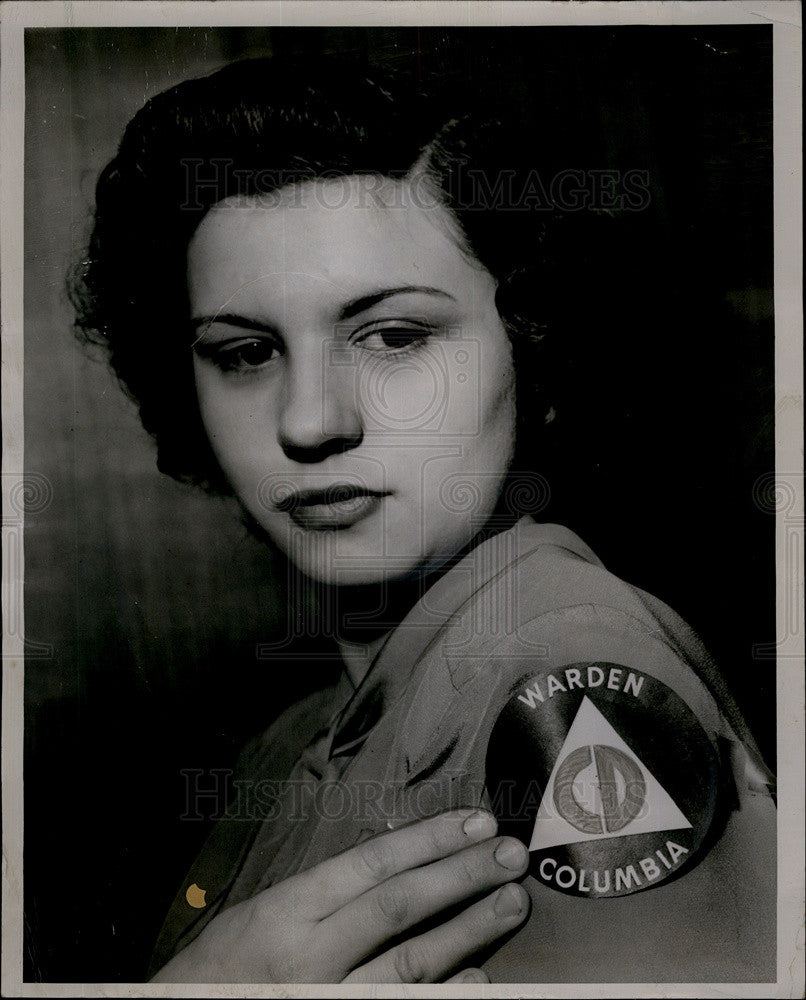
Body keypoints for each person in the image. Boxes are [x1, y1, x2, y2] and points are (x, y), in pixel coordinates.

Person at [72, 55, 776, 984]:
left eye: (395, 337)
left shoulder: (568, 667)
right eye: (244, 353)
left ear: (532, 341)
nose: (310, 421)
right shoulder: (297, 739)